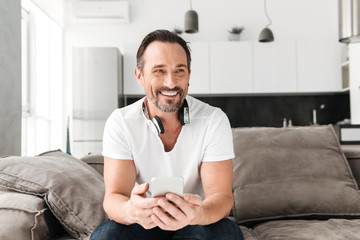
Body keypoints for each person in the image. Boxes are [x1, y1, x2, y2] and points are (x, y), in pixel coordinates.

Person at [90, 29, 244, 240]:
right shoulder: (121, 122)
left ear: (189, 74)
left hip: (193, 219)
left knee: (228, 232)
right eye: (159, 71)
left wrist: (199, 213)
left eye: (179, 70)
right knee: (105, 234)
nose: (171, 83)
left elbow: (222, 198)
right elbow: (114, 198)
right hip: (143, 222)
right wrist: (131, 211)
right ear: (139, 75)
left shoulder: (213, 120)